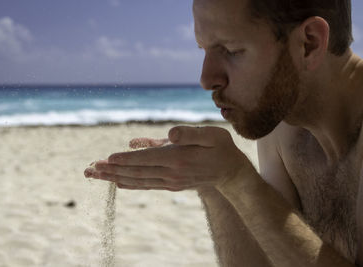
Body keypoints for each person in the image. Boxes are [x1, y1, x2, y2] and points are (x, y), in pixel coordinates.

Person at [84, 0, 363, 265]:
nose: (206, 79)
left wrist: (239, 182)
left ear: (309, 43)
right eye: (203, 50)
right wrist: (214, 184)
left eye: (230, 51)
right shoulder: (280, 124)